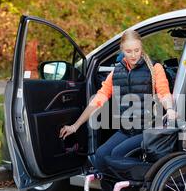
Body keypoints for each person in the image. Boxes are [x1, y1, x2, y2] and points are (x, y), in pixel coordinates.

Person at [59, 29, 175, 174]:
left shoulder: (154, 68)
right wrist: (75, 126)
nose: (133, 55)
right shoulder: (116, 72)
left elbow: (164, 93)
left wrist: (169, 109)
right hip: (126, 130)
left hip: (147, 130)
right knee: (101, 155)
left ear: (141, 48)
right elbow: (99, 99)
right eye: (128, 51)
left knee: (116, 156)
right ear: (122, 50)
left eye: (137, 50)